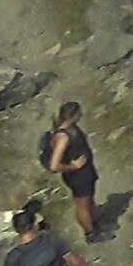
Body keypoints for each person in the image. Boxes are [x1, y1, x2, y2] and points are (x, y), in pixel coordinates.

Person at [41, 103, 100, 242]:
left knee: (88, 201)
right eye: (79, 113)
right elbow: (54, 166)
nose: (81, 115)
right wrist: (73, 166)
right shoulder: (63, 137)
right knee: (82, 205)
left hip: (86, 172)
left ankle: (92, 223)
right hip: (78, 176)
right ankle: (90, 234)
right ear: (72, 116)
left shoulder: (71, 128)